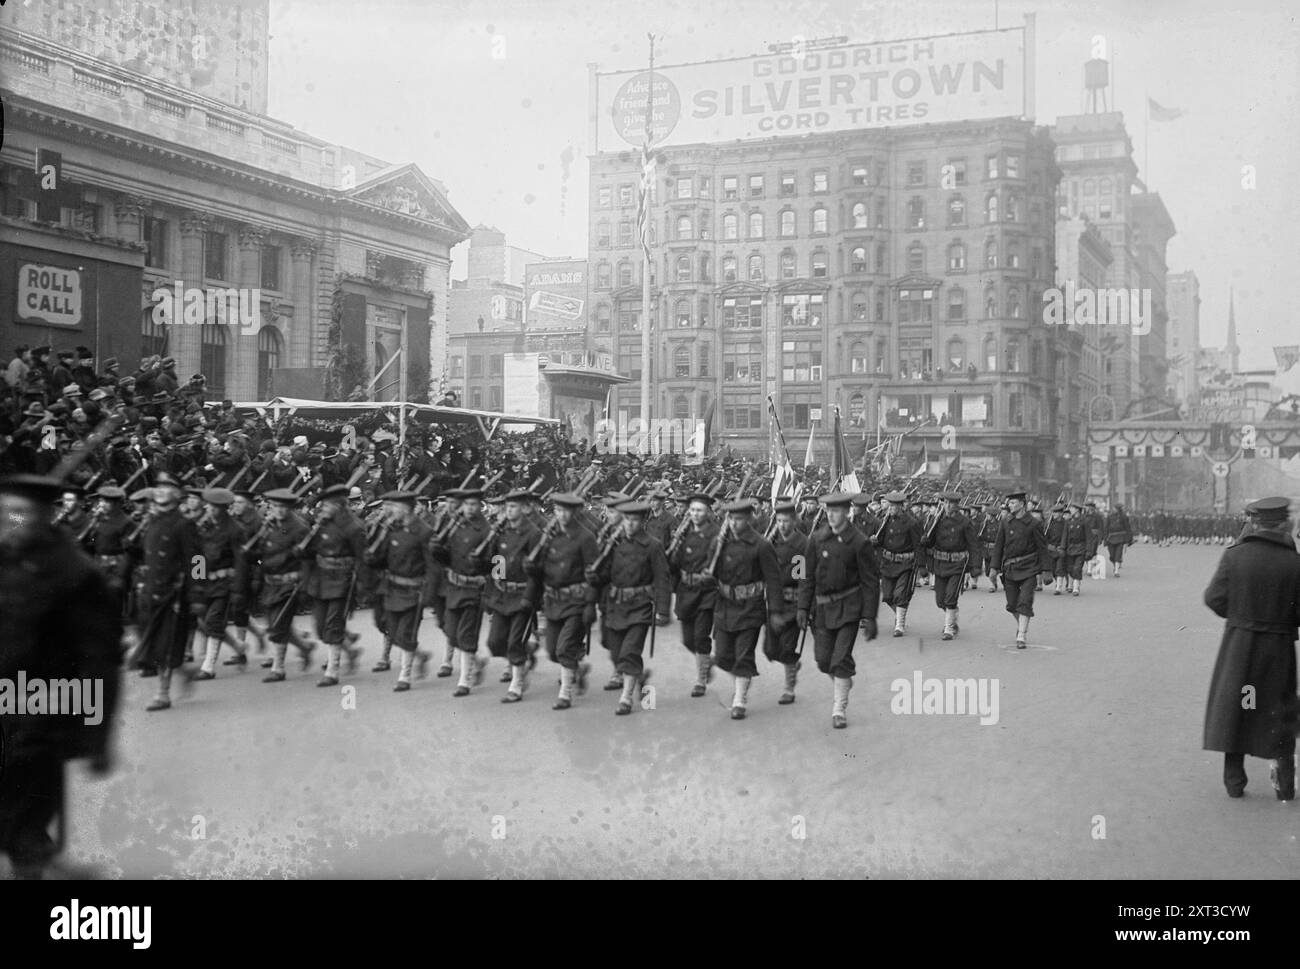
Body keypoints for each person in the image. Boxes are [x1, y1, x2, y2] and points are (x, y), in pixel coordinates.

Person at [0, 473, 122, 879]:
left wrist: (95, 736)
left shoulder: (75, 575)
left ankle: (33, 858)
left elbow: (98, 660)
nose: (9, 522)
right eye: (4, 512)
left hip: (38, 708)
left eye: (20, 513)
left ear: (46, 517)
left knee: (24, 806)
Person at [1202, 496, 1300, 800]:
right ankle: (1285, 786)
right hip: (1278, 649)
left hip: (1240, 647)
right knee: (1279, 712)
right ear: (1285, 523)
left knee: (1239, 708)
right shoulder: (1294, 562)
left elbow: (1213, 598)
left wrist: (1240, 618)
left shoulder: (1235, 556)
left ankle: (1234, 782)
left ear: (1255, 523)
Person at [796, 493, 880, 728]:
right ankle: (842, 681)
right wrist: (802, 606)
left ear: (846, 512)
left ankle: (839, 709)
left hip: (849, 607)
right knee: (823, 661)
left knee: (840, 659)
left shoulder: (859, 542)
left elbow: (870, 581)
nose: (831, 515)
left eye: (836, 511)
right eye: (828, 511)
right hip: (821, 608)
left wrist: (869, 616)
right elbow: (805, 575)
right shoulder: (816, 538)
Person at [585, 499, 670, 716]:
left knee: (630, 652)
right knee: (616, 655)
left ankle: (626, 699)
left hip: (640, 607)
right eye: (627, 520)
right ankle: (640, 679)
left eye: (634, 521)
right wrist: (594, 579)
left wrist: (662, 609)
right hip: (615, 606)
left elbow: (662, 578)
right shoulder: (613, 543)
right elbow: (605, 574)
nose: (630, 525)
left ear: (642, 522)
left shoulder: (652, 546)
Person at [710, 498, 782, 720]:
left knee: (743, 655)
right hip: (724, 606)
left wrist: (776, 611)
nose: (733, 523)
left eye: (739, 519)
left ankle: (739, 698)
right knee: (722, 655)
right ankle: (740, 684)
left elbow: (773, 579)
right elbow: (710, 573)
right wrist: (715, 548)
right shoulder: (721, 542)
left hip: (750, 608)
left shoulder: (761, 545)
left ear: (749, 519)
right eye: (730, 518)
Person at [531, 492, 597, 710]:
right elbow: (541, 567)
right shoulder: (549, 535)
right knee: (551, 650)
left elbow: (592, 575)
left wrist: (590, 605)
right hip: (552, 601)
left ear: (575, 512)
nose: (560, 515)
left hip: (576, 601)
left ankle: (565, 693)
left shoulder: (585, 537)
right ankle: (576, 670)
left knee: (564, 648)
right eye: (557, 510)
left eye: (565, 511)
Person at [365, 489, 435, 692]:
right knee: (390, 630)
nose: (389, 511)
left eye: (393, 507)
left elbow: (432, 565)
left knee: (405, 632)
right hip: (391, 588)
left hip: (414, 590)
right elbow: (382, 557)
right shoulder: (391, 529)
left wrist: (429, 593)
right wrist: (372, 558)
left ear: (406, 509)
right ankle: (420, 655)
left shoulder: (423, 531)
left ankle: (405, 675)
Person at [483, 490, 544, 703]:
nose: (508, 511)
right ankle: (526, 652)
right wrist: (496, 584)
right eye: (507, 507)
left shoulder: (533, 533)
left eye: (513, 507)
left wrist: (530, 596)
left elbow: (538, 569)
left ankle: (517, 684)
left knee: (513, 642)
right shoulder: (501, 531)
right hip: (503, 594)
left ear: (525, 509)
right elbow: (497, 560)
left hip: (523, 594)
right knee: (495, 643)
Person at [304, 484, 365, 687]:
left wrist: (362, 586)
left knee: (333, 625)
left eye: (327, 504)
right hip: (321, 578)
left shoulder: (353, 527)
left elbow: (362, 557)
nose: (323, 508)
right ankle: (350, 650)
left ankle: (332, 670)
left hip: (342, 579)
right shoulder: (322, 524)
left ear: (339, 505)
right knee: (320, 627)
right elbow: (311, 551)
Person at [669, 492, 720, 697]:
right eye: (692, 510)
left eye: (699, 510)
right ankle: (706, 662)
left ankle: (700, 680)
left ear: (708, 512)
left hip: (706, 592)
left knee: (700, 637)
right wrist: (673, 548)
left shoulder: (716, 534)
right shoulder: (684, 533)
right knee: (688, 640)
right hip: (686, 591)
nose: (695, 514)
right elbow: (674, 564)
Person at [920, 489, 982, 640]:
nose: (947, 506)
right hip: (940, 563)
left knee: (950, 596)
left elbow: (973, 545)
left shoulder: (965, 522)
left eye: (950, 503)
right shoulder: (937, 520)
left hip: (958, 564)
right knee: (940, 600)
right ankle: (952, 616)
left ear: (957, 505)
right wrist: (926, 541)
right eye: (945, 502)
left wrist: (975, 566)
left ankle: (948, 628)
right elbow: (931, 541)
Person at [991, 492, 1049, 649]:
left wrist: (1047, 570)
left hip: (1029, 568)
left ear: (1022, 504)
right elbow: (998, 546)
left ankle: (1021, 634)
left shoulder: (1034, 524)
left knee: (1025, 601)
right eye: (1009, 503)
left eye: (1013, 503)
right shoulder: (1005, 522)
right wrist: (994, 568)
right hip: (1010, 568)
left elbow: (1042, 548)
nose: (1009, 505)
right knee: (1012, 605)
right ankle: (1022, 624)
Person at [766, 498, 807, 704]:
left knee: (788, 648)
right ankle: (791, 663)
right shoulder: (771, 541)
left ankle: (789, 688)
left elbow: (802, 579)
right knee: (770, 650)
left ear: (794, 521)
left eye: (786, 521)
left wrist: (804, 608)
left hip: (792, 604)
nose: (782, 525)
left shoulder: (801, 544)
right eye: (779, 521)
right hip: (774, 603)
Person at [874, 491, 922, 637]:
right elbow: (880, 540)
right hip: (888, 563)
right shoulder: (885, 520)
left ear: (901, 506)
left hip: (905, 564)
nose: (891, 508)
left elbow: (918, 545)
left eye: (894, 506)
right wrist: (874, 541)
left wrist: (921, 566)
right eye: (890, 505)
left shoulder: (912, 522)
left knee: (900, 594)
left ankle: (900, 625)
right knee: (888, 595)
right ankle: (900, 613)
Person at [1104, 503, 1133, 577]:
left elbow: (1127, 528)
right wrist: (1105, 538)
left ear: (1118, 509)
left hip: (1120, 538)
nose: (1113, 510)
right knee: (1112, 556)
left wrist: (1128, 539)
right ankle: (1115, 566)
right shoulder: (1109, 517)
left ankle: (1116, 571)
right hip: (1110, 538)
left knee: (1118, 554)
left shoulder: (1124, 517)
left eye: (1115, 508)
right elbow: (1106, 528)